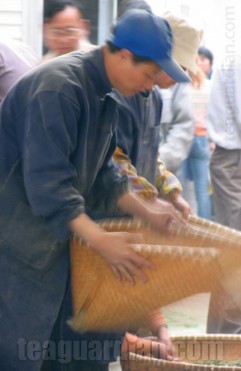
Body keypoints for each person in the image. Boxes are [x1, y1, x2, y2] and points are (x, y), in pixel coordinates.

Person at [0, 9, 189, 371]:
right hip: (17, 245)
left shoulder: (103, 93)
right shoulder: (59, 88)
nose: (150, 86)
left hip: (50, 247)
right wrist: (103, 242)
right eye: (149, 74)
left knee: (56, 354)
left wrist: (147, 210)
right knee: (19, 353)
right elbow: (50, 187)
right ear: (122, 56)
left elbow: (104, 171)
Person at [206, 55, 241, 333]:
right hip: (234, 160)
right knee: (235, 253)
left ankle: (225, 339)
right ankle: (227, 339)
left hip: (233, 158)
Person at [180, 66, 212, 220]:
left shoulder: (183, 87)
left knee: (179, 185)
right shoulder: (208, 86)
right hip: (201, 138)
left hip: (184, 137)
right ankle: (206, 225)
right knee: (202, 188)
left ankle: (182, 224)